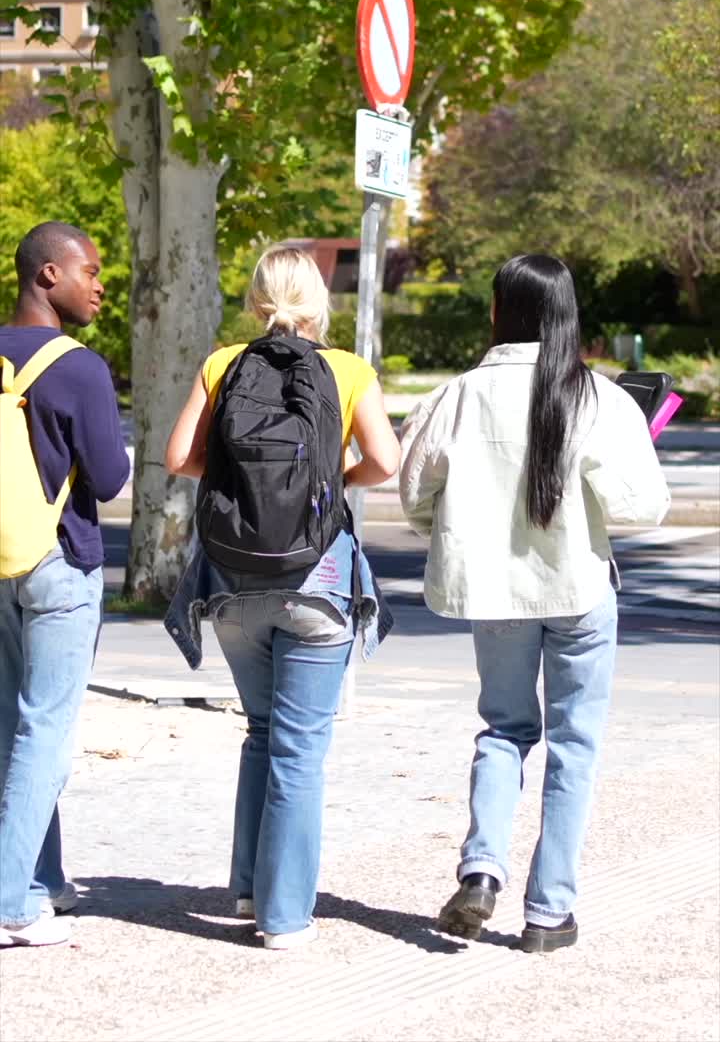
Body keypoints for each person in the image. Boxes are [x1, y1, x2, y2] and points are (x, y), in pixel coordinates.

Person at [400, 254, 669, 952]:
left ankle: (482, 866)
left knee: (504, 730)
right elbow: (645, 509)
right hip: (579, 588)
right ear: (566, 315)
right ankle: (549, 914)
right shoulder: (599, 399)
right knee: (574, 746)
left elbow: (414, 495)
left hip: (496, 594)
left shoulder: (457, 395)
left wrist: (462, 532)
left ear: (500, 311)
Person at [166, 244, 399, 950]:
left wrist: (240, 487)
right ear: (319, 297)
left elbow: (180, 458)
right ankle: (285, 915)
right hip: (317, 583)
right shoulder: (348, 369)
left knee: (261, 734)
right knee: (299, 751)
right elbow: (385, 461)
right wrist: (331, 481)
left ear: (256, 295)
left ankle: (245, 888)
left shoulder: (223, 363)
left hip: (234, 582)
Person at [0, 222, 130, 947]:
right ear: (47, 276)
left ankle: (43, 879)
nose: (99, 283)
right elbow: (109, 480)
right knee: (45, 730)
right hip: (60, 562)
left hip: (1, 560)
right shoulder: (79, 368)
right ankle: (11, 901)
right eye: (90, 269)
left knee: (12, 728)